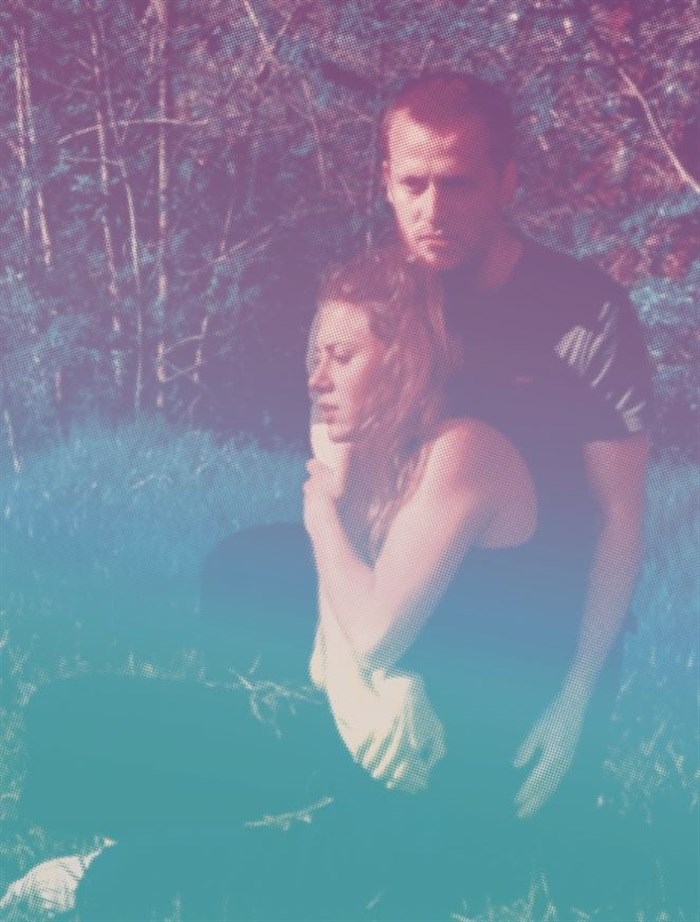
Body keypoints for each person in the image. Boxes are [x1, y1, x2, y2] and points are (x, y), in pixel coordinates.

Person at [15, 249, 624, 920]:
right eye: (315, 356)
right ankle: (184, 818)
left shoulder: (464, 452)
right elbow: (329, 655)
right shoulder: (361, 445)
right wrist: (388, 683)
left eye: (341, 357)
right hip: (389, 725)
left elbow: (373, 632)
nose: (316, 378)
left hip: (462, 767)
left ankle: (111, 870)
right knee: (66, 713)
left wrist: (321, 515)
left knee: (241, 878)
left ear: (402, 364)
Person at [378, 71, 653, 820]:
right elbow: (336, 484)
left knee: (481, 841)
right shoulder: (370, 303)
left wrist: (578, 695)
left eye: (458, 184)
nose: (432, 209)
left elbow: (620, 517)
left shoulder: (587, 312)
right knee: (240, 573)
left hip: (530, 624)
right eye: (413, 184)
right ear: (387, 181)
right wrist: (368, 671)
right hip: (401, 601)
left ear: (506, 182)